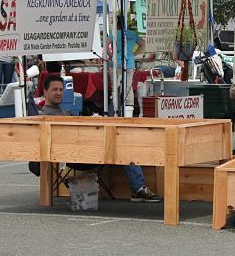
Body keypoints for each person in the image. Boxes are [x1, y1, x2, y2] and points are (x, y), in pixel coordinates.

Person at [41, 74, 161, 202]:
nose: (59, 93)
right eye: (55, 89)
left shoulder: (64, 111)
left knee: (123, 141)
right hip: (73, 154)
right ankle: (138, 189)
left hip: (83, 148)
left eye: (61, 89)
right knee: (123, 148)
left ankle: (138, 188)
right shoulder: (45, 116)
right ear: (45, 92)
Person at [107, 25, 145, 108]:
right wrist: (134, 54)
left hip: (116, 63)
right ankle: (129, 110)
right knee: (128, 88)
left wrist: (110, 55)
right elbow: (143, 43)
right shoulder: (132, 34)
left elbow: (106, 44)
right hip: (129, 63)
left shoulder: (114, 34)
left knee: (115, 87)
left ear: (117, 23)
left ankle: (115, 109)